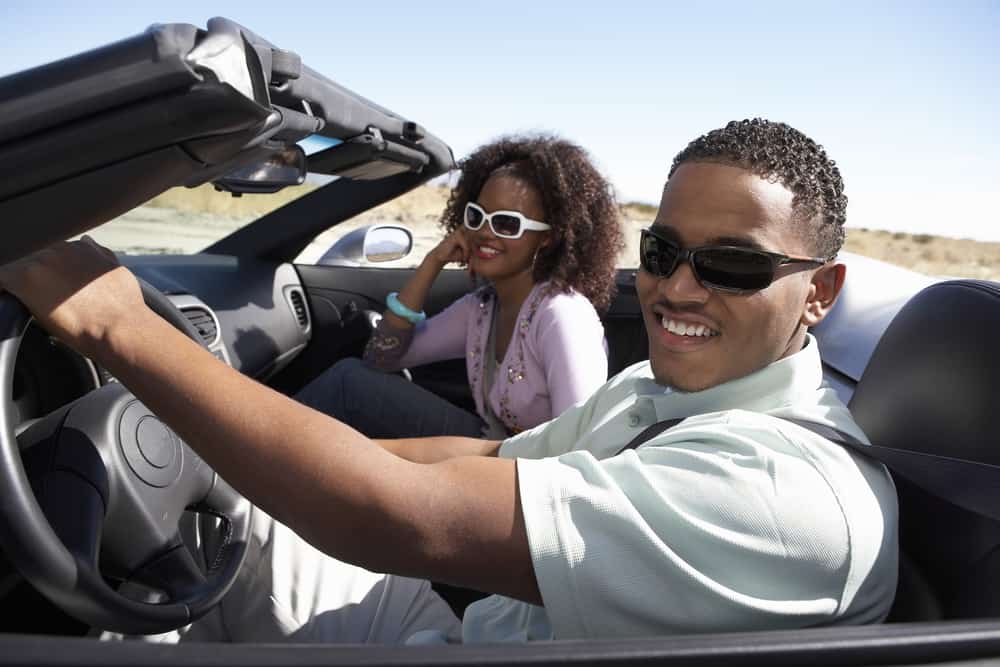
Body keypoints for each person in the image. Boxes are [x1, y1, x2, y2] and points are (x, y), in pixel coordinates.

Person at [0, 119, 897, 643]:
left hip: (458, 634)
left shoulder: (784, 496)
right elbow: (482, 449)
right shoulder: (663, 396)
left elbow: (410, 513)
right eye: (662, 253)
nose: (677, 288)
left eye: (732, 265)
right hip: (474, 618)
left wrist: (117, 324)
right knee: (238, 510)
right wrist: (245, 456)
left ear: (818, 292)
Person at [296, 135, 624, 439]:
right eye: (477, 215)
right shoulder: (481, 310)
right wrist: (432, 264)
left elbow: (581, 449)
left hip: (530, 482)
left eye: (506, 223)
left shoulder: (562, 315)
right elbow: (381, 359)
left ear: (549, 237)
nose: (484, 231)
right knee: (351, 381)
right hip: (492, 450)